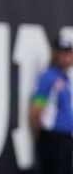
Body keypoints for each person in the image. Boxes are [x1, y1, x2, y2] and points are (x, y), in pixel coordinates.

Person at [31, 34, 73, 174]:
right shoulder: (47, 77)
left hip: (66, 139)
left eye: (68, 53)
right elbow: (36, 110)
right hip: (52, 138)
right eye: (62, 53)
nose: (66, 57)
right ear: (55, 54)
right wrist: (42, 137)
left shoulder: (66, 79)